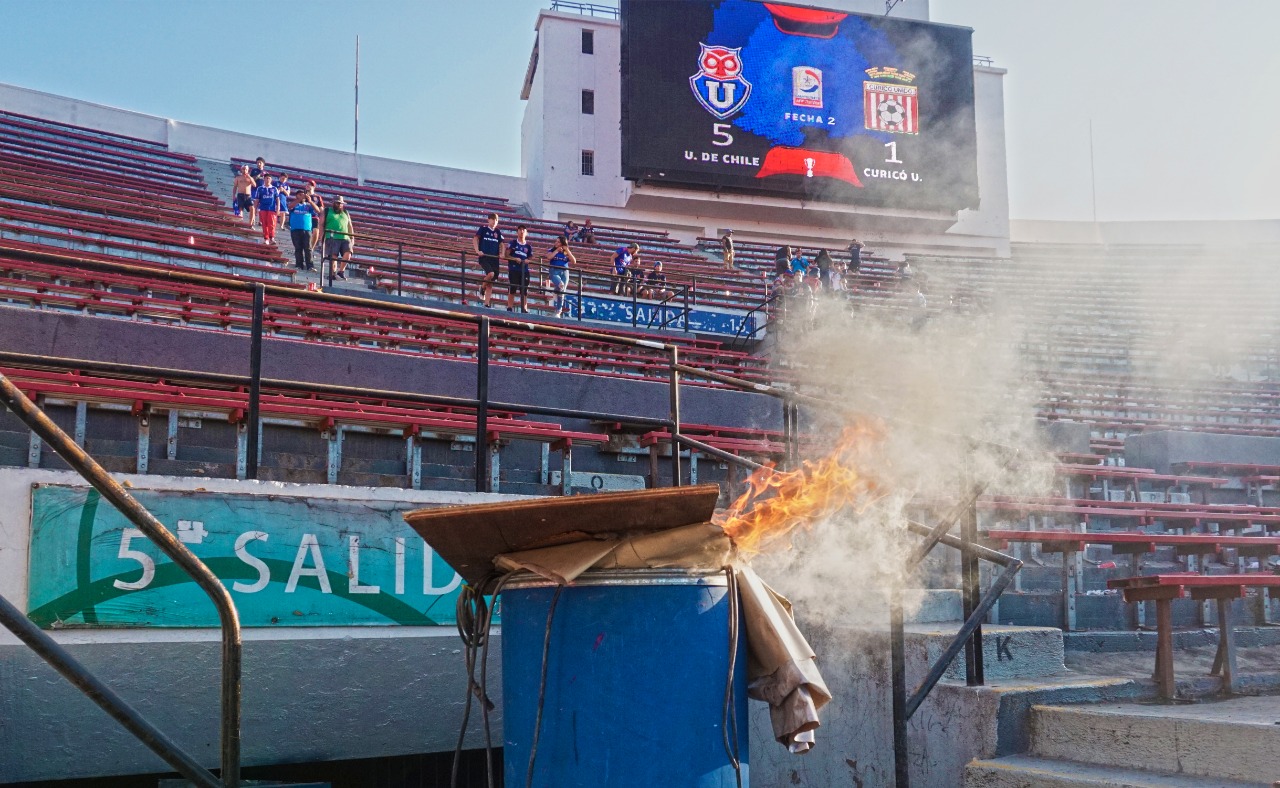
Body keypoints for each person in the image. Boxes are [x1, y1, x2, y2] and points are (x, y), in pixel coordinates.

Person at [473, 212, 504, 308]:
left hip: (494, 259)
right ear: (488, 220)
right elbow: (475, 239)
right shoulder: (483, 229)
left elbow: (502, 244)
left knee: (491, 282)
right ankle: (482, 288)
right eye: (493, 219)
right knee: (491, 274)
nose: (494, 221)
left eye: (496, 220)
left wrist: (502, 253)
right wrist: (477, 250)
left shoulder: (498, 232)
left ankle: (487, 304)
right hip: (485, 257)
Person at [323, 196, 355, 279]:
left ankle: (341, 271)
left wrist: (352, 237)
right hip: (332, 236)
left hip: (345, 236)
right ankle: (332, 274)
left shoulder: (346, 212)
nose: (339, 205)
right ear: (333, 203)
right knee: (333, 256)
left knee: (348, 253)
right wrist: (321, 235)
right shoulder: (327, 211)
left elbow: (350, 226)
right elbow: (321, 223)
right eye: (338, 203)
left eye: (341, 203)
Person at [504, 224, 533, 313]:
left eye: (523, 230)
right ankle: (509, 307)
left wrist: (528, 260)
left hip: (524, 270)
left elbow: (531, 257)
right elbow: (506, 255)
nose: (522, 231)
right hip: (514, 269)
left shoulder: (528, 246)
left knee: (524, 289)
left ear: (526, 233)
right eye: (520, 230)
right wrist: (515, 259)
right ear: (517, 232)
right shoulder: (513, 243)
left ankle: (524, 308)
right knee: (512, 288)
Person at [546, 235, 576, 318]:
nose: (556, 243)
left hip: (565, 271)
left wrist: (567, 250)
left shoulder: (566, 252)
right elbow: (549, 257)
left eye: (558, 242)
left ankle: (558, 311)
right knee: (561, 285)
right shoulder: (551, 250)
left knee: (562, 292)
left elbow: (574, 261)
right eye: (556, 241)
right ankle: (555, 291)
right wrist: (556, 251)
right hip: (554, 270)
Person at [287, 193, 317, 271]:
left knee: (308, 248)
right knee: (298, 248)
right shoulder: (295, 204)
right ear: (297, 195)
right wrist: (299, 199)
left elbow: (317, 210)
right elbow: (289, 206)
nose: (303, 196)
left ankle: (310, 266)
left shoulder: (308, 205)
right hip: (295, 229)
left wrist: (310, 201)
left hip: (307, 229)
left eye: (303, 195)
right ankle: (299, 265)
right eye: (300, 195)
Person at [252, 174, 282, 244]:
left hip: (271, 209)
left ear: (271, 180)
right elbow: (257, 200)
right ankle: (266, 238)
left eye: (269, 178)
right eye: (266, 178)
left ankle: (272, 237)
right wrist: (255, 209)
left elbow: (277, 199)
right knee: (264, 224)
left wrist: (278, 208)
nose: (267, 180)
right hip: (263, 208)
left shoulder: (274, 189)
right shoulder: (260, 188)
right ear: (264, 179)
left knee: (271, 224)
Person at [302, 181, 325, 252]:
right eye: (307, 184)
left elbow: (321, 210)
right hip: (304, 216)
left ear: (313, 187)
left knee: (315, 231)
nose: (308, 185)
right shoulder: (303, 195)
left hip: (314, 216)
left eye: (310, 185)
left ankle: (311, 249)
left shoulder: (317, 197)